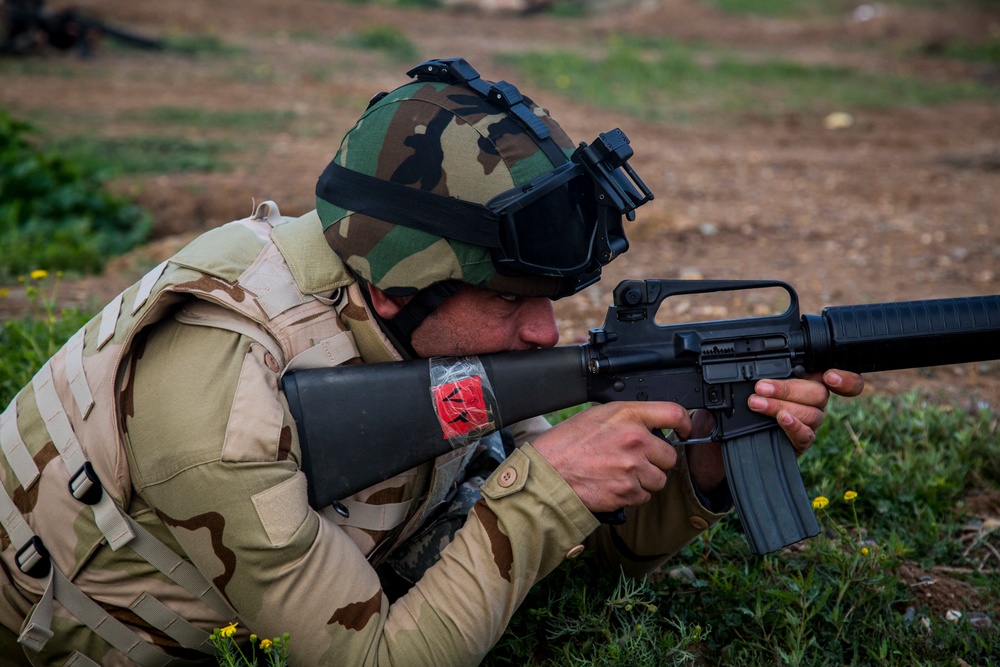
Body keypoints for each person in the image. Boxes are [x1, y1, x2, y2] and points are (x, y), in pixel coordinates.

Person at [0, 58, 864, 665]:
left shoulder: (422, 338)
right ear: (396, 289)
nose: (541, 335)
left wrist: (705, 464)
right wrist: (542, 493)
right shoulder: (217, 401)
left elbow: (589, 552)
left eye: (548, 302)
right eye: (509, 302)